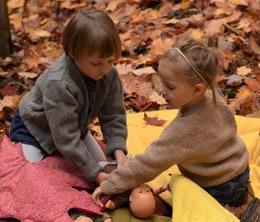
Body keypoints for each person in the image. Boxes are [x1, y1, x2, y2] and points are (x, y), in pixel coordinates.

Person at [93, 37, 250, 207]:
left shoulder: (184, 130)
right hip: (240, 168)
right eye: (162, 83)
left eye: (170, 87)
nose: (162, 91)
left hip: (218, 184)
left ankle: (227, 211)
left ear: (198, 89)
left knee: (178, 201)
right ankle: (239, 198)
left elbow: (149, 162)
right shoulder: (211, 93)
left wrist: (111, 184)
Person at [9, 8, 128, 184]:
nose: (105, 69)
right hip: (34, 130)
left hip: (75, 127)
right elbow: (65, 137)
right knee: (33, 180)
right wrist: (93, 173)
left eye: (111, 61)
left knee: (103, 165)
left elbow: (113, 115)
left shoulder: (109, 75)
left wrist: (120, 152)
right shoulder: (58, 83)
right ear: (73, 53)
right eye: (96, 63)